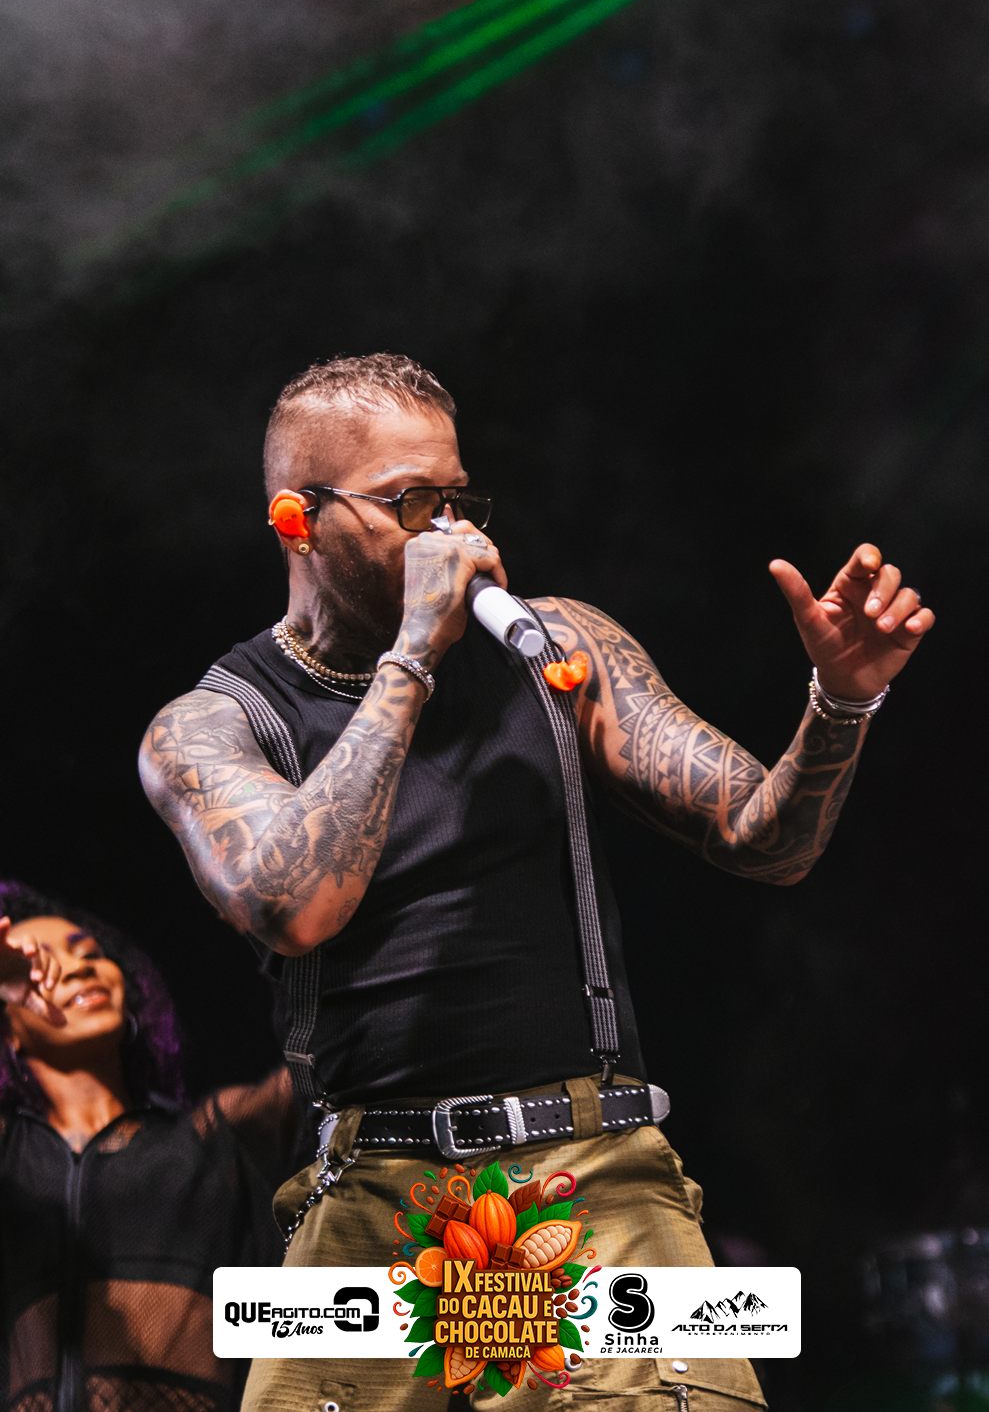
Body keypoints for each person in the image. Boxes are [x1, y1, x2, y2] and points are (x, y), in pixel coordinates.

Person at [139, 353, 934, 1411]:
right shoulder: (212, 723)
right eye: (407, 502)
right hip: (372, 1190)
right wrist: (411, 658)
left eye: (457, 497)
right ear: (297, 518)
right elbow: (295, 905)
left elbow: (763, 839)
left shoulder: (562, 646)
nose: (448, 531)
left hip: (595, 1173)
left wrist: (839, 701)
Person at [0, 880, 294, 1412]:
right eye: (38, 966)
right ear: (9, 1035)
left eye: (90, 953)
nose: (79, 968)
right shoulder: (10, 1158)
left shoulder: (215, 1139)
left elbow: (343, 1064)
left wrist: (285, 918)